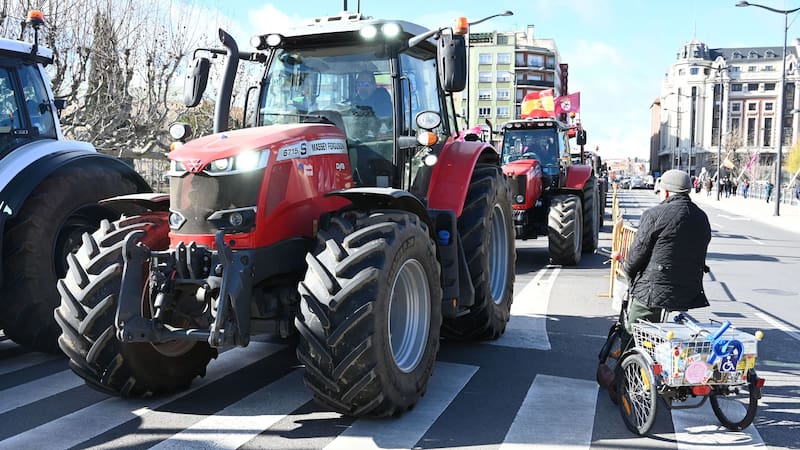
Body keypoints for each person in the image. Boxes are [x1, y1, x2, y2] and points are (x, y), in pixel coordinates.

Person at [613, 169, 711, 345]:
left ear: (666, 191)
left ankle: (625, 368)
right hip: (689, 289)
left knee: (632, 335)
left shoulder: (654, 215)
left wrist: (628, 271)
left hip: (653, 291)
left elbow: (637, 254)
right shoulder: (701, 217)